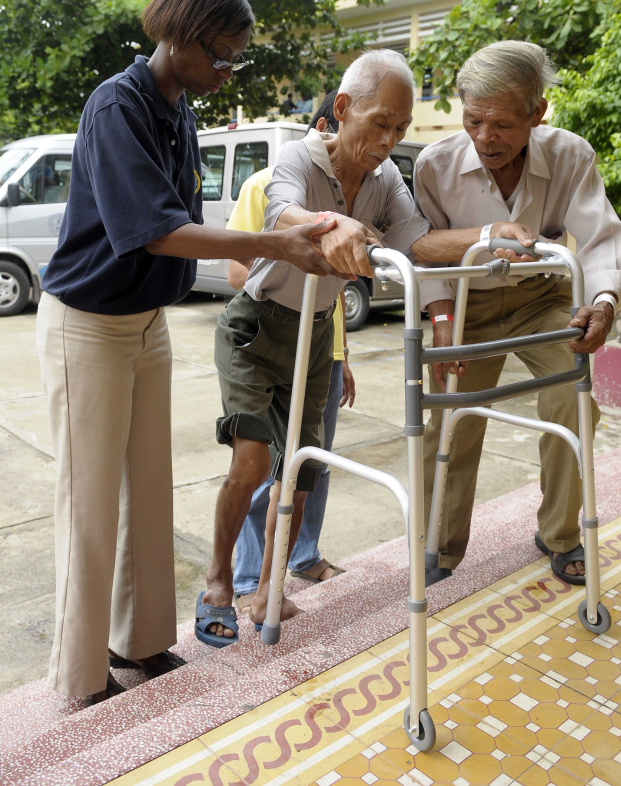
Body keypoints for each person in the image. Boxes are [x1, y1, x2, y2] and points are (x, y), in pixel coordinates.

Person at [36, 0, 338, 707]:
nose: (228, 71)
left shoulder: (180, 112)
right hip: (88, 329)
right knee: (90, 503)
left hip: (146, 325)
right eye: (221, 54)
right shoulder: (118, 106)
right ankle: (79, 680)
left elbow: (183, 227)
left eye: (236, 56)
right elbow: (154, 231)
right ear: (179, 35)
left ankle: (139, 644)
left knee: (148, 492)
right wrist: (271, 246)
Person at [195, 48, 536, 645]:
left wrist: (488, 237)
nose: (389, 139)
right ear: (345, 108)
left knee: (299, 474)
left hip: (318, 330)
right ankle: (219, 580)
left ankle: (268, 588)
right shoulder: (299, 157)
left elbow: (418, 242)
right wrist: (333, 225)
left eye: (401, 128)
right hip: (257, 327)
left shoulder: (385, 181)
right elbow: (281, 212)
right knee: (251, 461)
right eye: (380, 123)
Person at [415, 40, 621, 587]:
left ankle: (559, 535)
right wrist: (439, 320)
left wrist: (603, 304)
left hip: (544, 300)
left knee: (573, 400)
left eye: (503, 124)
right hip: (466, 304)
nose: (486, 138)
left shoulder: (571, 155)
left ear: (538, 113)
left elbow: (601, 238)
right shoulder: (434, 166)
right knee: (451, 420)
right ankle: (438, 545)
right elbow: (423, 248)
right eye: (473, 120)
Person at [227, 91, 354, 619]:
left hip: (326, 348)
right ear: (328, 125)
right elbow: (239, 271)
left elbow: (337, 293)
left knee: (309, 467)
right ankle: (245, 578)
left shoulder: (350, 194)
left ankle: (299, 557)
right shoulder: (266, 186)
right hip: (274, 340)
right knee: (263, 468)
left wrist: (346, 360)